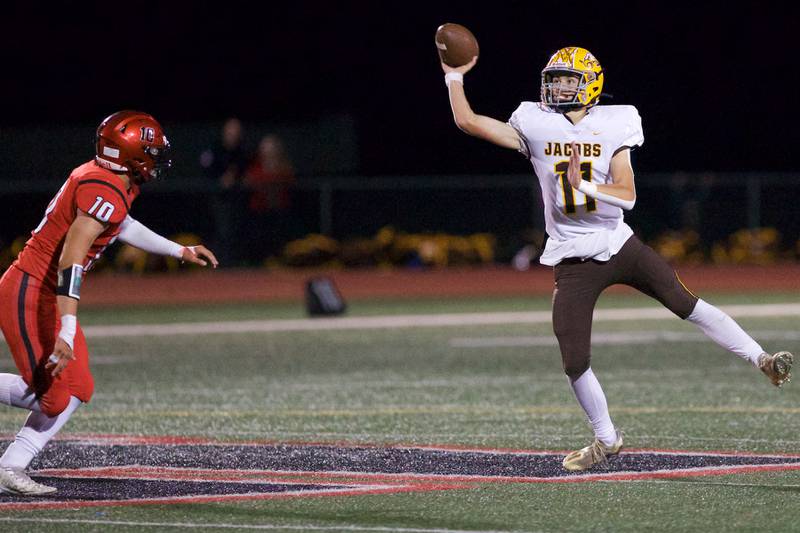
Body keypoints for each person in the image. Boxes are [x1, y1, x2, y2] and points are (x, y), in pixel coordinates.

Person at [441, 47, 793, 471]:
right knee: (574, 360)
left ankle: (764, 361)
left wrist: (584, 186)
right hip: (572, 256)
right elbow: (468, 121)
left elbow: (627, 194)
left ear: (589, 83)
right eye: (554, 79)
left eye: (567, 80)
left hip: (617, 242)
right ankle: (606, 440)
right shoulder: (533, 120)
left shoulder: (617, 119)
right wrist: (454, 76)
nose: (557, 87)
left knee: (687, 304)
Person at [0, 110, 218, 495]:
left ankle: (11, 466)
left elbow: (121, 225)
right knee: (52, 398)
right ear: (131, 154)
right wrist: (67, 327)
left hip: (47, 293)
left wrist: (178, 250)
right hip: (30, 290)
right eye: (150, 150)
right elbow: (71, 258)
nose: (156, 157)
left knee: (78, 386)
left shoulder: (115, 179)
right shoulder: (104, 185)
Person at [200, 117, 249, 266]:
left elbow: (244, 171)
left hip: (238, 198)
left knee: (235, 230)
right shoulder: (214, 148)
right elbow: (206, 169)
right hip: (215, 197)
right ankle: (219, 262)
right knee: (220, 230)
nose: (233, 133)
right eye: (230, 129)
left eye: (236, 129)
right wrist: (221, 180)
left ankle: (232, 262)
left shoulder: (242, 151)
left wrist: (236, 177)